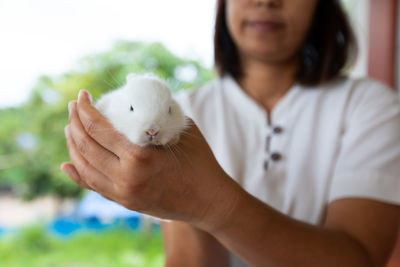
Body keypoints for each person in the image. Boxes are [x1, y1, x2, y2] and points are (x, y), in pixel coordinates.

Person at [61, 0, 400, 266]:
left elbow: (360, 260)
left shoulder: (373, 107)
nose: (266, 1)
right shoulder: (185, 109)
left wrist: (210, 202)